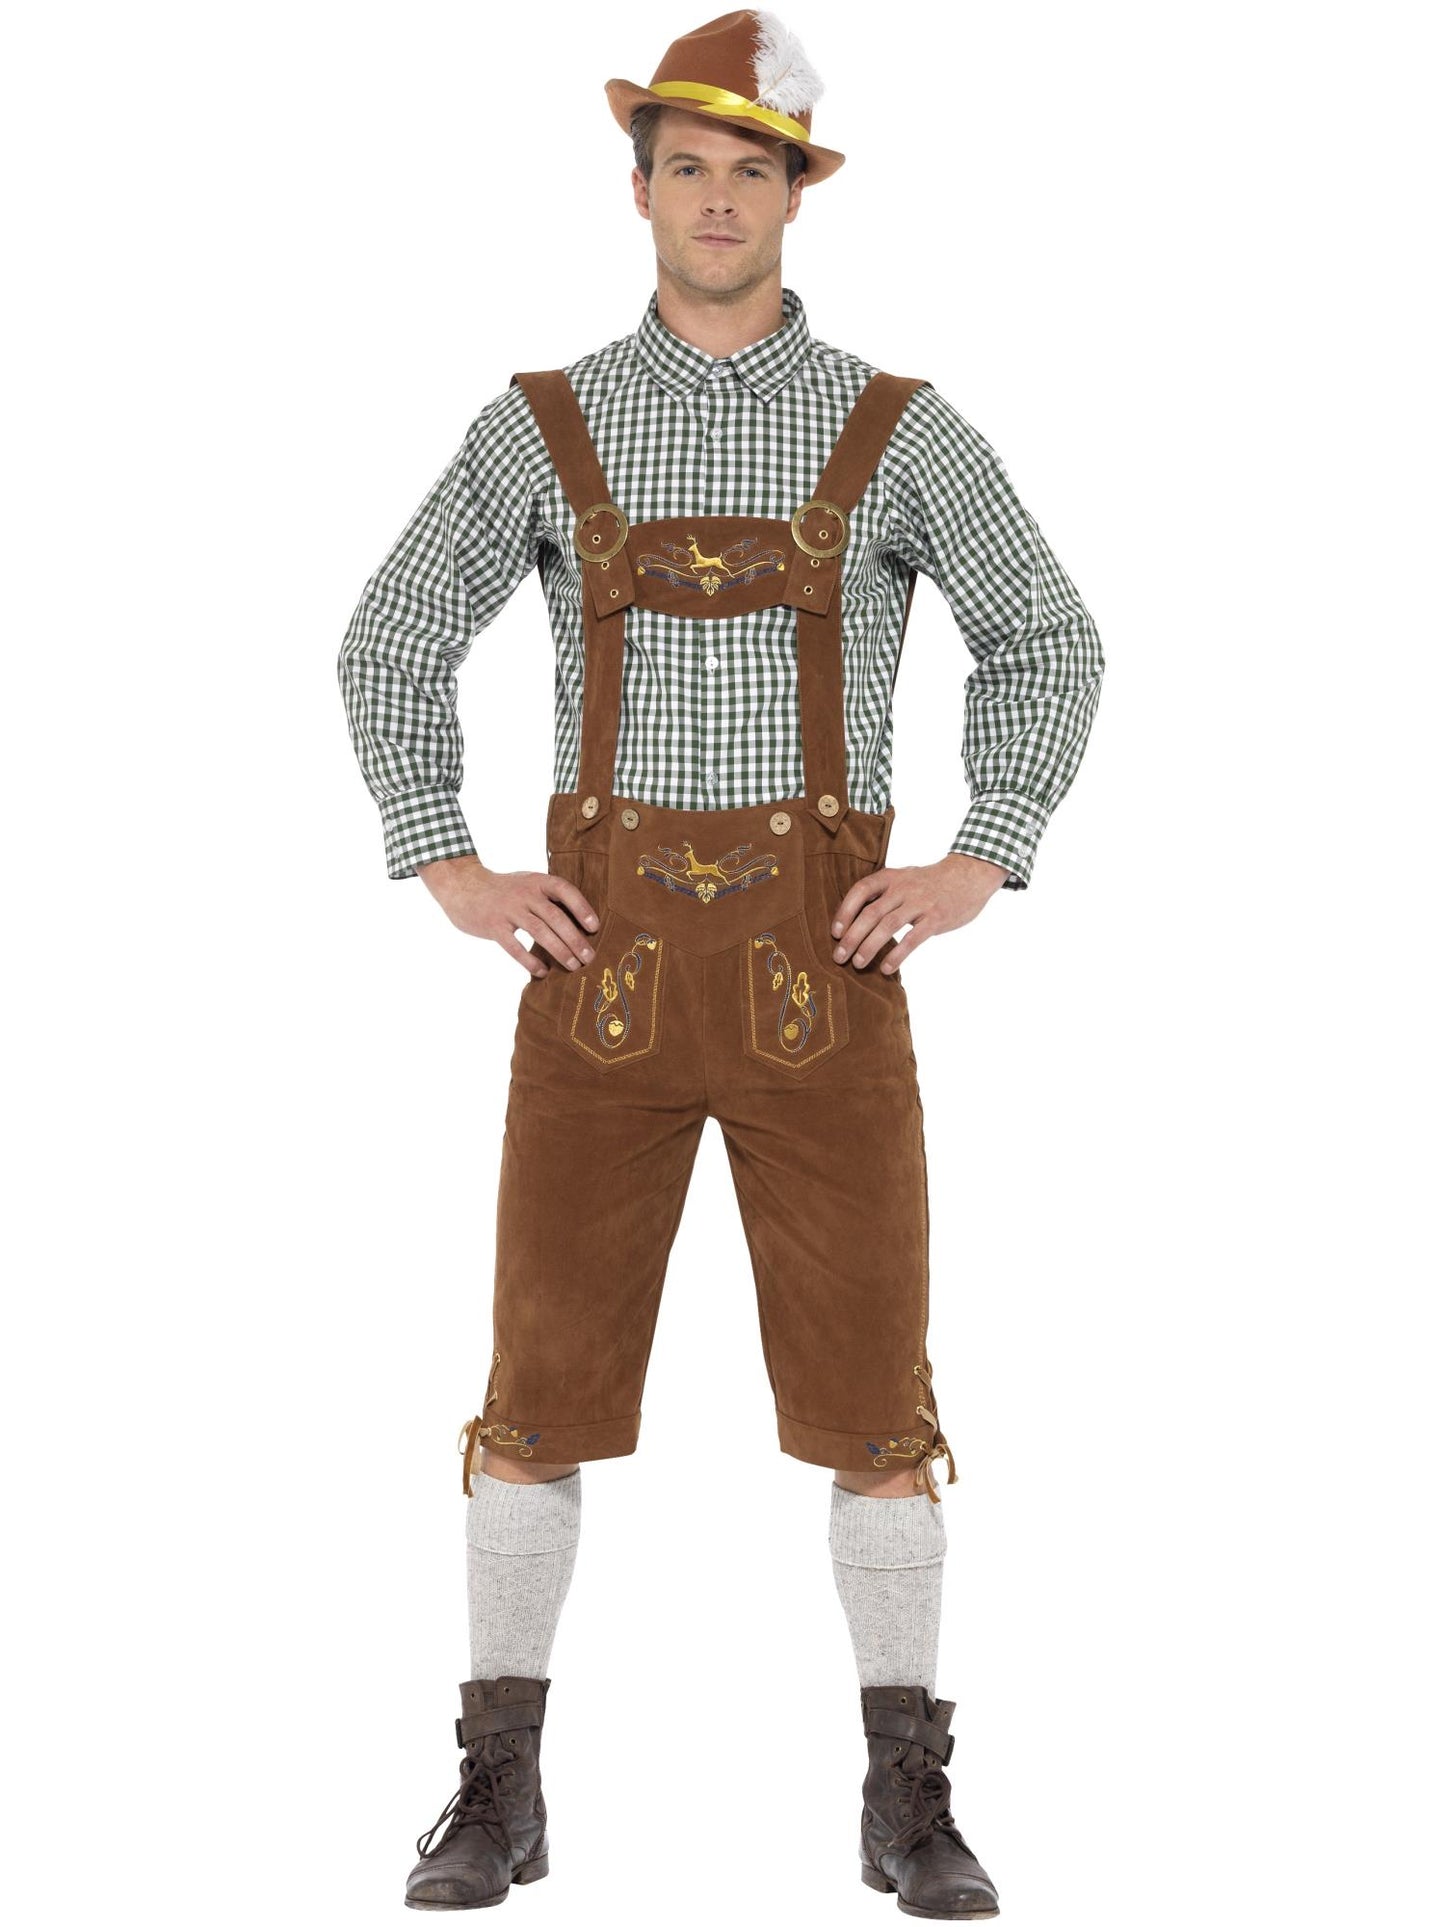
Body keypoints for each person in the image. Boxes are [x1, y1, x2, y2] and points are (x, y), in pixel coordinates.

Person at [338, 10, 1103, 1917]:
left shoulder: (897, 426)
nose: (713, 199)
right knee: (535, 1395)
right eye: (684, 167)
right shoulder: (540, 421)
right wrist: (447, 864)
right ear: (639, 192)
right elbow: (388, 637)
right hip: (591, 991)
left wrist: (980, 856)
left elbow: (1049, 637)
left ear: (792, 198)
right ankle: (498, 1792)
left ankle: (904, 1799)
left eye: (747, 170)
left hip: (823, 986)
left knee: (878, 1407)